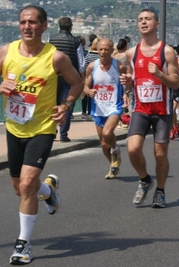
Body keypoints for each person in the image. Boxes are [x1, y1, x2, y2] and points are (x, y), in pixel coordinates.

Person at [0, 6, 83, 265]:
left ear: (44, 26)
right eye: (23, 22)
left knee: (26, 185)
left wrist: (66, 105)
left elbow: (77, 82)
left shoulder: (55, 57)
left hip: (42, 129)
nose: (27, 26)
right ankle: (48, 191)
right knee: (19, 188)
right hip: (14, 128)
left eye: (33, 22)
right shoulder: (5, 52)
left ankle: (23, 245)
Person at [120, 8, 179, 208]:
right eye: (140, 19)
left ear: (156, 24)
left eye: (147, 19)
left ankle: (160, 191)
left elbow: (176, 83)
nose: (143, 22)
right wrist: (127, 81)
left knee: (160, 154)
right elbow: (131, 79)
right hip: (141, 109)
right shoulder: (131, 53)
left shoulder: (167, 51)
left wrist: (160, 75)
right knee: (133, 149)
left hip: (162, 111)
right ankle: (145, 180)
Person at [85, 39, 127, 179]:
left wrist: (126, 92)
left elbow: (128, 83)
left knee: (108, 133)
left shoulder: (119, 66)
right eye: (100, 49)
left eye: (106, 49)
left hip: (114, 106)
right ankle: (113, 165)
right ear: (97, 50)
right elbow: (85, 85)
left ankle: (116, 150)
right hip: (98, 108)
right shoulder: (92, 66)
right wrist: (88, 91)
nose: (103, 52)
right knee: (103, 144)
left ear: (111, 50)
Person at [49, 16, 85, 142]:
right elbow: (81, 63)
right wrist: (81, 79)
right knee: (67, 104)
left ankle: (52, 132)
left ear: (59, 26)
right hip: (70, 78)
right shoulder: (75, 41)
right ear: (71, 27)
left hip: (54, 76)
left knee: (53, 104)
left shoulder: (51, 39)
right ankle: (63, 134)